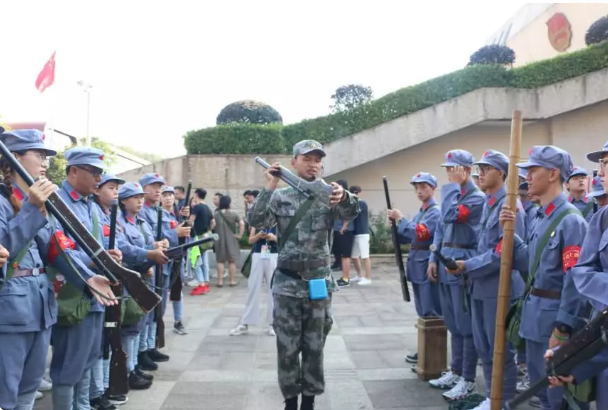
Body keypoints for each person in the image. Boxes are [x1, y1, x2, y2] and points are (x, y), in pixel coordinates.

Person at [0, 130, 114, 410]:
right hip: (11, 309)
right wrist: (32, 207)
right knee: (6, 390)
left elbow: (55, 249)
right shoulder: (6, 201)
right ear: (14, 159)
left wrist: (87, 278)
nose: (45, 163)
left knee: (29, 387)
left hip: (39, 306)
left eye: (46, 157)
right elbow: (4, 248)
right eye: (38, 156)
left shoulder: (32, 201)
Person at [248, 139, 360, 410]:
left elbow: (352, 212)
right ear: (293, 162)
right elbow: (256, 222)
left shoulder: (330, 193)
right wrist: (270, 185)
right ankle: (290, 400)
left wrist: (344, 196)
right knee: (286, 347)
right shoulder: (280, 196)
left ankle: (309, 400)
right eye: (307, 158)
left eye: (317, 159)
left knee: (315, 345)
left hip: (319, 282)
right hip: (287, 283)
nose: (313, 164)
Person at [499, 145, 589, 410]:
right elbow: (530, 263)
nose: (527, 176)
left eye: (532, 170)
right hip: (535, 316)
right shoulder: (539, 215)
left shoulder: (570, 221)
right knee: (543, 392)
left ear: (552, 174)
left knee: (560, 396)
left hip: (554, 322)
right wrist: (510, 233)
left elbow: (575, 280)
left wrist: (563, 328)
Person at [445, 150, 526, 409]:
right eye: (478, 168)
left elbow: (503, 252)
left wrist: (466, 265)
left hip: (499, 287)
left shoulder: (510, 205)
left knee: (500, 348)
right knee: (484, 346)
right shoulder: (491, 202)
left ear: (501, 173)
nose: (480, 173)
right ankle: (492, 396)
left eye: (486, 168)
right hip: (480, 285)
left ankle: (503, 400)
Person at [52, 146, 122, 410]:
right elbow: (57, 251)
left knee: (89, 356)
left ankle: (82, 405)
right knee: (69, 364)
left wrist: (110, 254)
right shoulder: (57, 202)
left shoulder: (91, 207)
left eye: (99, 173)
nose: (98, 178)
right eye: (93, 172)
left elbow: (99, 244)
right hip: (71, 294)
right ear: (73, 171)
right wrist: (96, 259)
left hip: (95, 295)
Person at [552, 141, 608, 410]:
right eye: (601, 166)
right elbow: (582, 271)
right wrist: (577, 362)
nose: (601, 174)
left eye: (607, 165)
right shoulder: (602, 218)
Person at [427, 149, 484, 401]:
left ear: (468, 170)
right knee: (453, 323)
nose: (449, 173)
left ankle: (467, 378)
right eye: (447, 169)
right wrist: (432, 258)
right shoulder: (456, 194)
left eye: (454, 168)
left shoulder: (475, 197)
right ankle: (456, 369)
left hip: (462, 262)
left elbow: (450, 215)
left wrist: (453, 187)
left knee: (466, 325)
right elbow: (440, 228)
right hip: (445, 260)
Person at [117, 182, 169, 394]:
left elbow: (147, 245)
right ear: (123, 201)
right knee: (129, 326)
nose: (140, 200)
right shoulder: (119, 221)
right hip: (129, 279)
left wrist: (157, 247)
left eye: (141, 197)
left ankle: (133, 366)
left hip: (143, 277)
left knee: (138, 323)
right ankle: (127, 371)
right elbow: (124, 249)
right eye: (134, 197)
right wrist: (148, 255)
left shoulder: (141, 222)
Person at [387, 172, 442, 366]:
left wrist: (401, 219)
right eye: (417, 187)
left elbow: (418, 233)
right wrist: (395, 225)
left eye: (424, 187)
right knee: (422, 310)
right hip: (417, 263)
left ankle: (433, 353)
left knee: (430, 310)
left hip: (426, 263)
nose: (419, 190)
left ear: (433, 188)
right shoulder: (422, 211)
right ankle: (425, 349)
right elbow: (409, 235)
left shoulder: (435, 211)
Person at [138, 173, 190, 363]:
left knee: (158, 309)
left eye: (160, 186)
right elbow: (151, 236)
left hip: (166, 265)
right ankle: (142, 351)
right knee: (148, 309)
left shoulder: (162, 212)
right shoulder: (142, 210)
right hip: (151, 265)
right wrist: (174, 232)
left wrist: (182, 231)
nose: (158, 189)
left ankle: (150, 346)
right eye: (153, 186)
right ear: (143, 188)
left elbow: (178, 237)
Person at [229, 225, 278, 337]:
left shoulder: (279, 220)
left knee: (273, 290)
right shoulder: (258, 221)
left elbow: (285, 239)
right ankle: (245, 323)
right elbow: (250, 240)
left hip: (273, 254)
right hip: (258, 254)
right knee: (253, 288)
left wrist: (274, 237)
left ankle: (273, 324)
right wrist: (258, 236)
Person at [160, 186, 188, 335]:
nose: (168, 198)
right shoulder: (157, 214)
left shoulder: (178, 215)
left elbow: (186, 237)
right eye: (164, 195)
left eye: (170, 195)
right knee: (162, 292)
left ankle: (178, 321)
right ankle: (159, 322)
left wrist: (186, 222)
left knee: (177, 291)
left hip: (177, 258)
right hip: (163, 258)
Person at [188, 188, 215, 295]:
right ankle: (206, 283)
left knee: (195, 261)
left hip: (196, 238)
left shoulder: (197, 207)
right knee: (204, 261)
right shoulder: (207, 208)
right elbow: (213, 223)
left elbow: (190, 222)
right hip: (206, 237)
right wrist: (207, 230)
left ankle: (201, 284)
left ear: (196, 195)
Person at [214, 195, 244, 287]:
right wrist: (240, 235)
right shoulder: (234, 213)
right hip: (232, 239)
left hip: (219, 240)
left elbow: (212, 225)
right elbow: (242, 223)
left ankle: (220, 281)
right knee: (231, 261)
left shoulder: (216, 214)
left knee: (220, 261)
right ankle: (232, 281)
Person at [349, 185, 372, 285]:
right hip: (355, 233)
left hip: (363, 233)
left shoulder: (361, 203)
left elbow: (354, 212)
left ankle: (368, 278)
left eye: (357, 192)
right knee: (354, 256)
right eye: (353, 192)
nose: (355, 194)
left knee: (365, 256)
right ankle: (359, 275)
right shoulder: (352, 203)